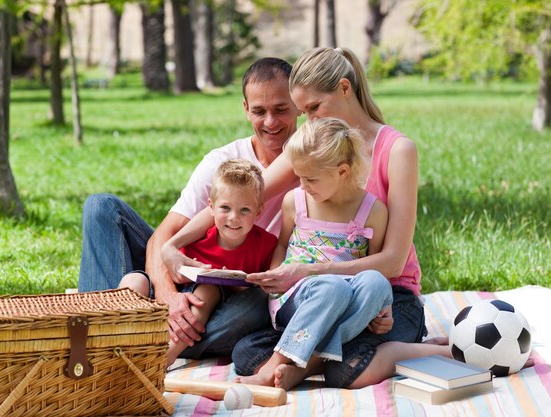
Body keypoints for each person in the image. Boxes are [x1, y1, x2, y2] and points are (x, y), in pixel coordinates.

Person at [160, 46, 451, 389]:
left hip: (383, 296)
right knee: (246, 355)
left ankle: (313, 357)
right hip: (317, 293)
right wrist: (174, 244)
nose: (309, 120)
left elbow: (391, 262)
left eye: (314, 108)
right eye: (303, 111)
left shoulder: (397, 149)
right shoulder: (309, 144)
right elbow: (246, 199)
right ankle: (308, 355)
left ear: (345, 89)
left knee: (348, 370)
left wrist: (308, 270)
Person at [78, 57, 301, 359]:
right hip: (188, 271)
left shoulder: (311, 167)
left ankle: (149, 337)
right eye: (260, 111)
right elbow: (164, 237)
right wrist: (169, 295)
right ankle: (95, 332)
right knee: (101, 207)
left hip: (234, 293)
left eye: (281, 109)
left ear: (299, 104)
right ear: (246, 109)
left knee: (258, 305)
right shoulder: (222, 161)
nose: (271, 122)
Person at [232, 117, 393, 389]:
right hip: (298, 298)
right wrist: (274, 277)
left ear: (342, 172)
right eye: (299, 177)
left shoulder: (373, 211)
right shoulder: (295, 202)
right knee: (331, 288)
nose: (302, 185)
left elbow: (371, 269)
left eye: (310, 179)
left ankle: (306, 365)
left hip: (345, 302)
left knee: (377, 283)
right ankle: (273, 366)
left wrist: (382, 307)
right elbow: (282, 246)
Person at [119, 159, 277, 365]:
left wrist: (241, 285)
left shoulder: (266, 244)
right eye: (225, 208)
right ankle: (119, 341)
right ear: (211, 207)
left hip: (207, 309)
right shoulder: (200, 234)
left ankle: (165, 357)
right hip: (168, 298)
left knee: (209, 289)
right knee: (134, 280)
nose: (233, 218)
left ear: (258, 211)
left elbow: (261, 289)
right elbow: (169, 260)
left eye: (244, 210)